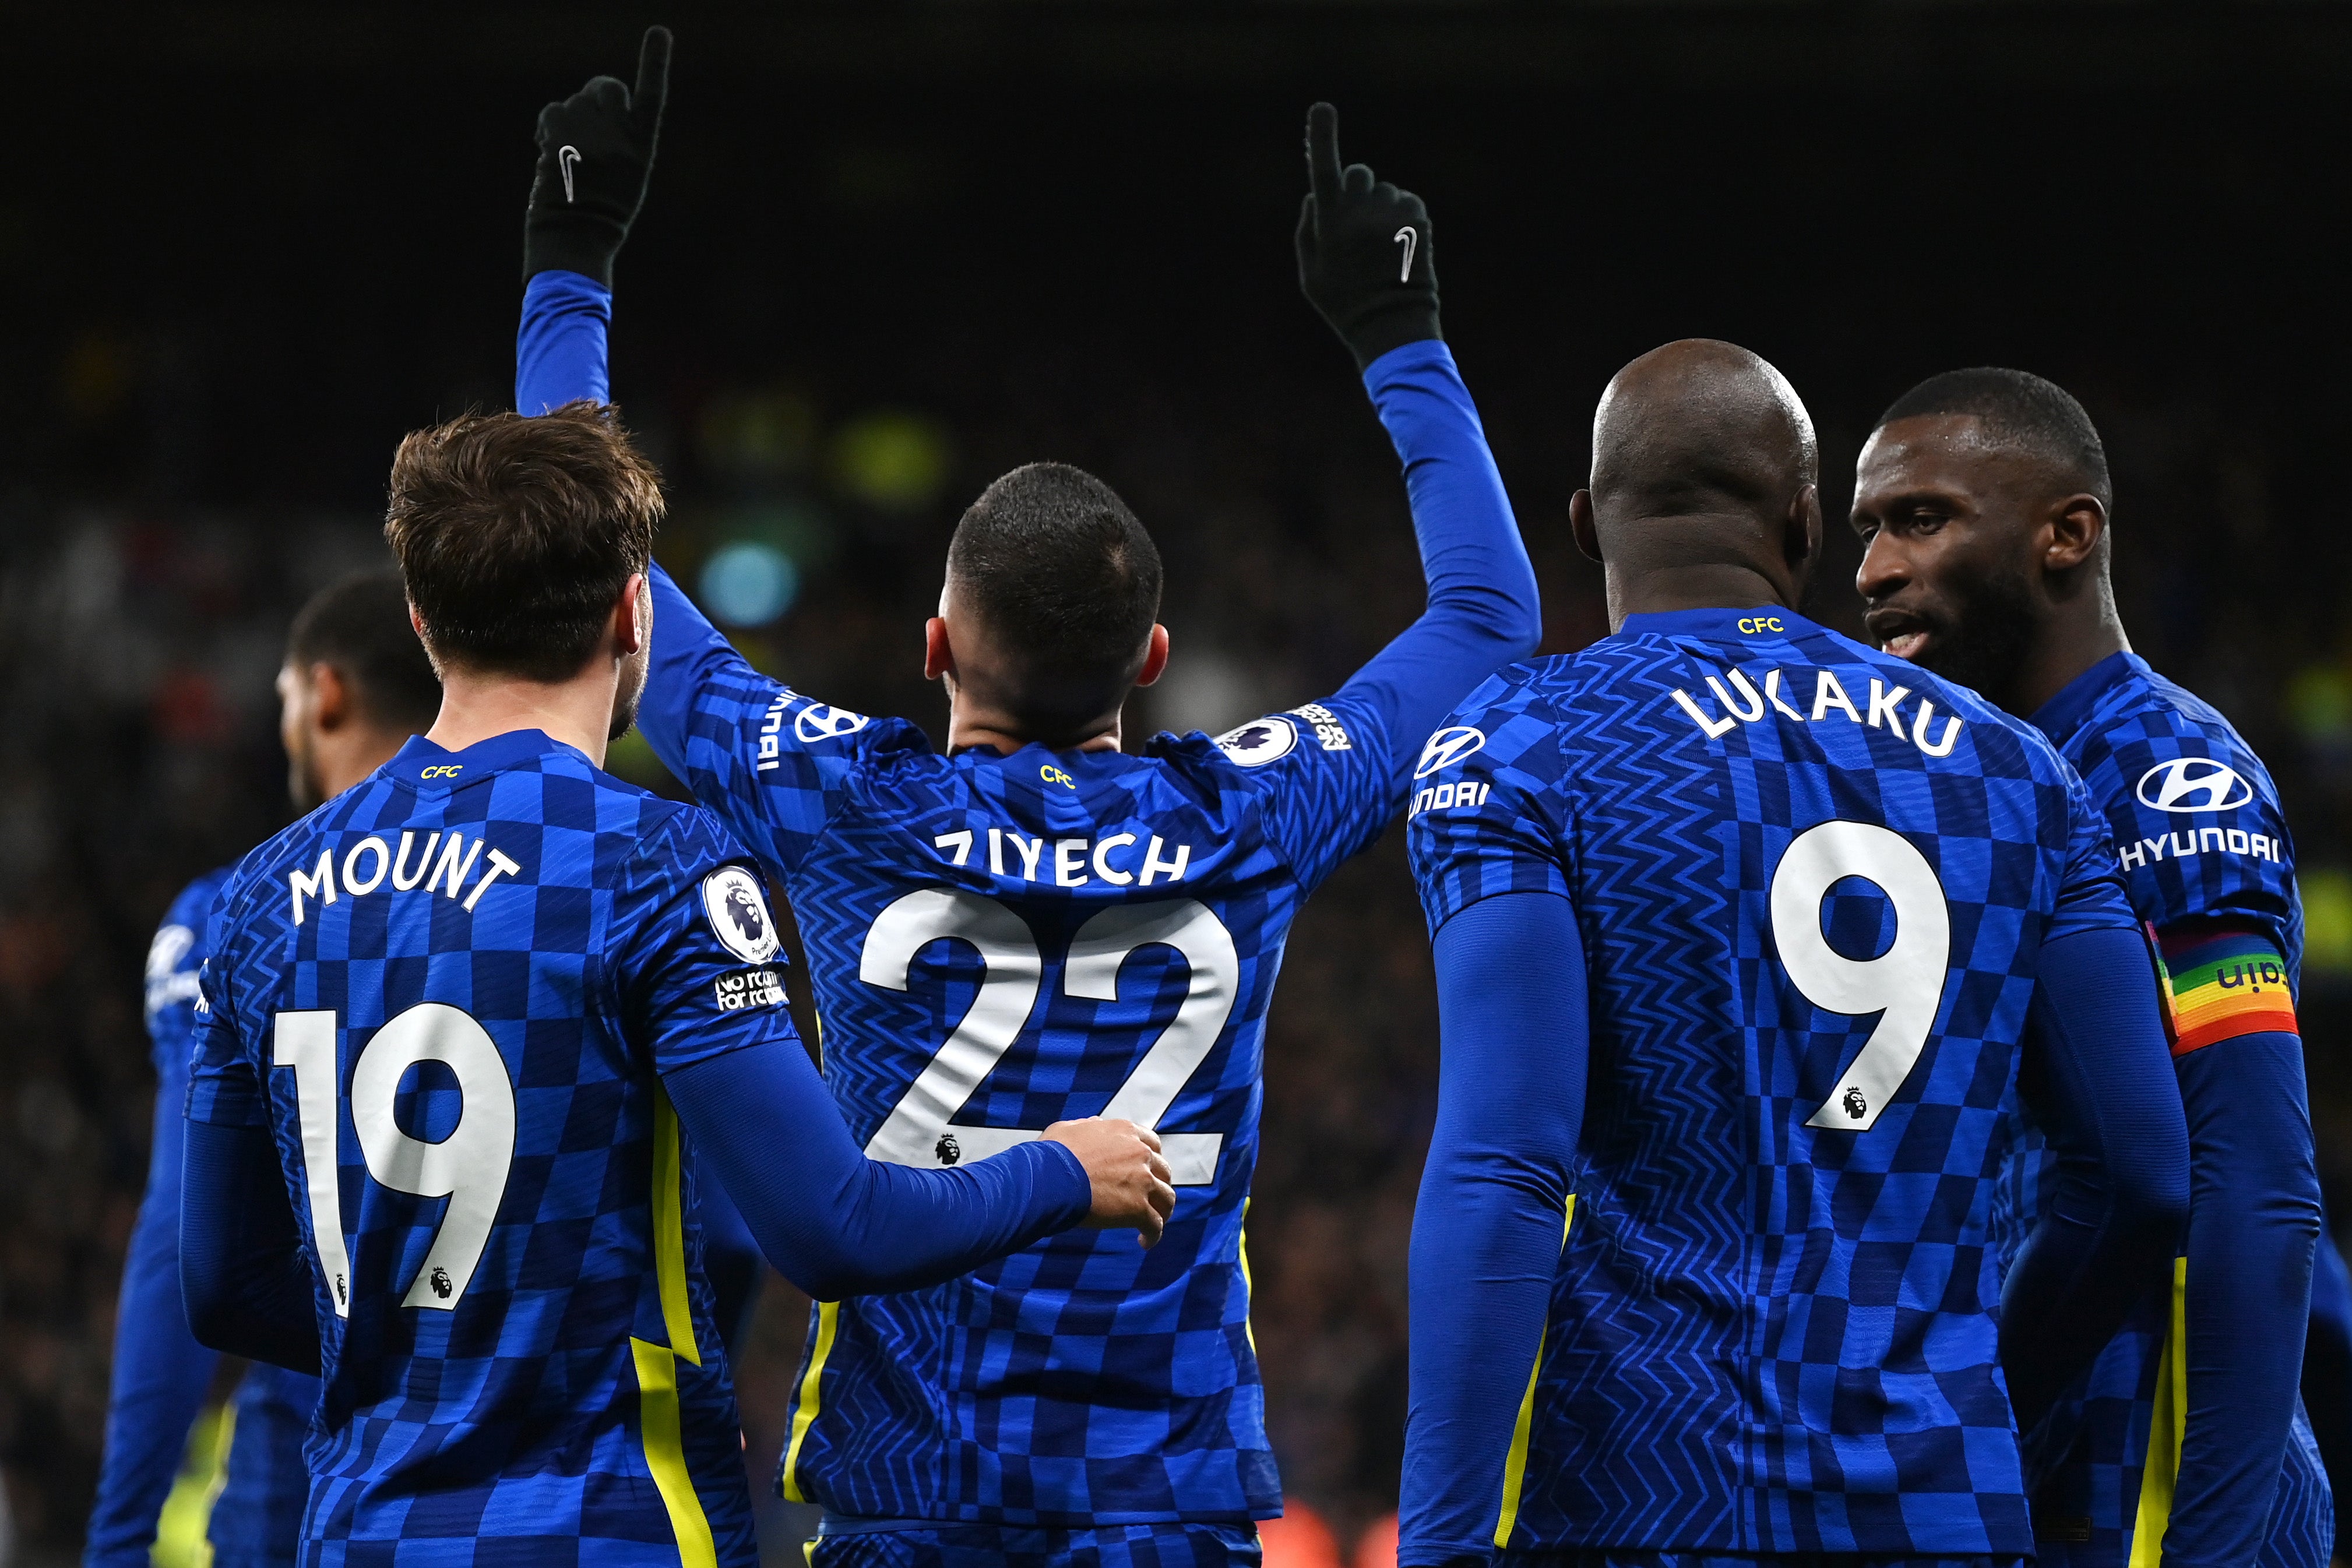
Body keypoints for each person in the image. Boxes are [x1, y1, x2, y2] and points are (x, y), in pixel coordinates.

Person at [508, 33, 1541, 1565]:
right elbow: (1484, 618)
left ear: (932, 649)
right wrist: (1400, 335)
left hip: (909, 1500)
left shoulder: (842, 793)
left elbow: (599, 575)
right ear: (1157, 660)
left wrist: (569, 266)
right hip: (1165, 1496)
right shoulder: (1249, 810)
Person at [177, 404, 1175, 1565]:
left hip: (363, 1532)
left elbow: (227, 1284)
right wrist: (1063, 1167)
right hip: (607, 1529)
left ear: (422, 618)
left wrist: (440, 1340)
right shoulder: (654, 866)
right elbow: (830, 1226)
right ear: (631, 613)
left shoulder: (258, 896)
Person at [1397, 340, 2194, 1567]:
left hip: (1647, 1494)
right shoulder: (2015, 769)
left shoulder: (1520, 742)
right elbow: (2138, 1170)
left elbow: (1504, 1167)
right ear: (1805, 522)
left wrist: (1442, 1541)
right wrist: (1974, 1399)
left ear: (1580, 524)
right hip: (1935, 1501)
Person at [1851, 367, 2329, 1567]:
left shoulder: (2165, 777)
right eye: (1865, 529)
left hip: (2156, 1491)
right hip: (2040, 1476)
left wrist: (2211, 1541)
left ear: (2065, 534)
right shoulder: (1973, 789)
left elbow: (2254, 1192)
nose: (1871, 571)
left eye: (1920, 517)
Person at [85, 572, 438, 1568]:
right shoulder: (572, 885)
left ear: (322, 692)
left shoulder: (237, 916)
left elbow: (179, 1246)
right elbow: (720, 1221)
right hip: (564, 1470)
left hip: (316, 1471)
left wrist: (120, 1539)